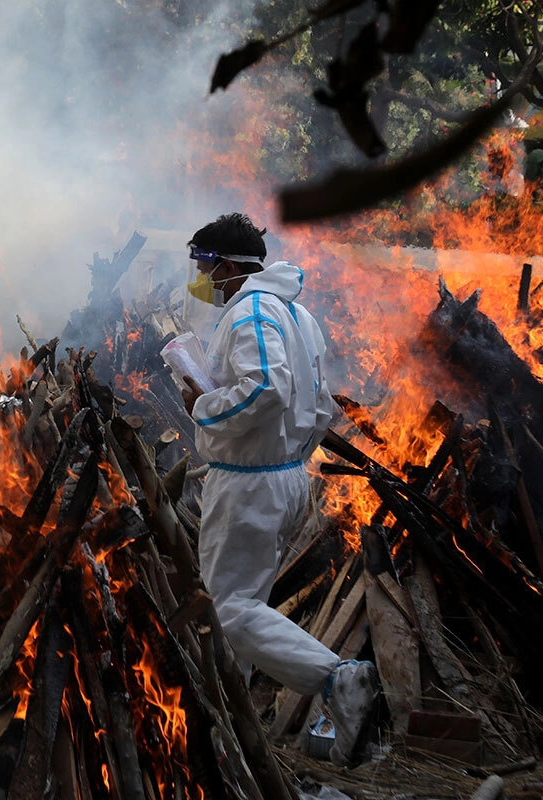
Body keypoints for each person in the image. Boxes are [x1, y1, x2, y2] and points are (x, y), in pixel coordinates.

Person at [179, 213, 377, 765]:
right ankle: (229, 729)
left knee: (229, 610)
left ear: (223, 265)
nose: (199, 278)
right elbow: (319, 405)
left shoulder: (250, 311)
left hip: (249, 483)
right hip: (280, 476)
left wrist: (202, 401)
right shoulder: (294, 312)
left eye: (202, 265)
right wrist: (290, 460)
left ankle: (337, 679)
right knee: (246, 605)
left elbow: (264, 389)